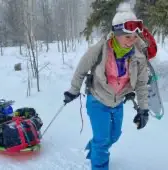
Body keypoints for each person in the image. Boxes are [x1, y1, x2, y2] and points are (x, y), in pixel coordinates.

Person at [63, 2, 150, 170]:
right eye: (127, 37)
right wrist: (73, 91)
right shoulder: (100, 49)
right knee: (103, 141)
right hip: (97, 100)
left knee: (114, 136)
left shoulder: (138, 56)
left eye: (134, 37)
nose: (131, 41)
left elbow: (141, 84)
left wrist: (143, 109)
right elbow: (81, 69)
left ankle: (95, 147)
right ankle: (99, 162)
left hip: (117, 103)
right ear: (116, 34)